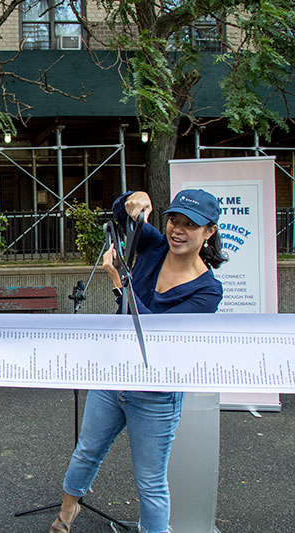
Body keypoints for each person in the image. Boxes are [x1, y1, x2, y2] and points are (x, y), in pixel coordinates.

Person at [50, 189, 225, 533]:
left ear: (209, 232)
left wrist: (118, 281)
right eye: (174, 219)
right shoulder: (155, 246)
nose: (178, 229)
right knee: (86, 451)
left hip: (157, 393)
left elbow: (152, 336)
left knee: (151, 482)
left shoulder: (208, 290)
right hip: (114, 374)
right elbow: (120, 214)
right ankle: (67, 511)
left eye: (191, 225)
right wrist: (136, 198)